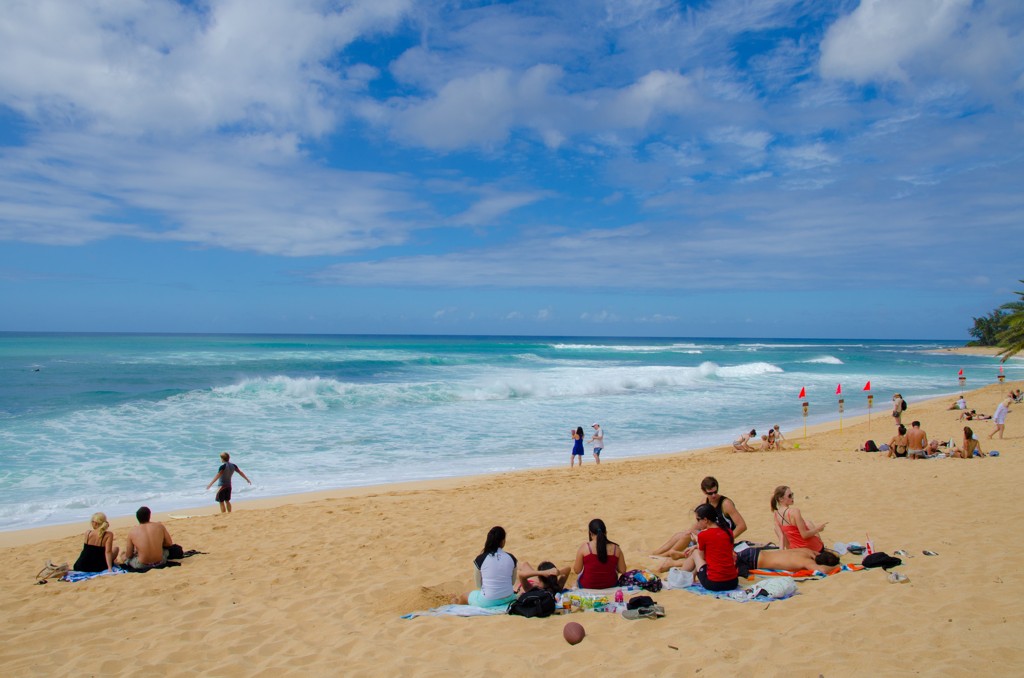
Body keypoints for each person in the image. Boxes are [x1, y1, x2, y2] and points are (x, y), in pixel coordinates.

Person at [651, 476, 747, 556]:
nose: (713, 495)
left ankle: (666, 555)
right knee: (681, 535)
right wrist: (691, 530)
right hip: (711, 534)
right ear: (704, 491)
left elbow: (742, 526)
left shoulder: (725, 504)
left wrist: (727, 539)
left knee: (687, 536)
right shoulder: (705, 501)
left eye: (715, 492)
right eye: (710, 493)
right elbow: (699, 523)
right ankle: (655, 553)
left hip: (721, 537)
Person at [654, 504, 738, 591]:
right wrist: (696, 546)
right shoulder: (728, 531)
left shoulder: (704, 535)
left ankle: (682, 575)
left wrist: (697, 543)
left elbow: (702, 557)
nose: (697, 523)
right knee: (697, 551)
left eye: (698, 520)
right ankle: (689, 575)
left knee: (695, 553)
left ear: (705, 520)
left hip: (715, 583)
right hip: (732, 582)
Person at [456, 526, 518, 607]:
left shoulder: (480, 559)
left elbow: (478, 585)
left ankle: (455, 604)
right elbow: (512, 582)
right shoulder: (512, 558)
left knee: (463, 596)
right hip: (509, 598)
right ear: (503, 541)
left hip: (488, 601)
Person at [573, 518, 626, 589]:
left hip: (588, 586)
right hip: (611, 585)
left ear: (591, 533)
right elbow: (622, 570)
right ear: (606, 532)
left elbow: (577, 570)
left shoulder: (585, 548)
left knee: (579, 576)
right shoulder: (616, 549)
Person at [772, 486, 826, 553]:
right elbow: (804, 535)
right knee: (809, 524)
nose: (792, 497)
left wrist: (782, 554)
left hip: (795, 551)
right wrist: (818, 529)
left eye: (792, 494)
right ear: (781, 499)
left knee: (780, 530)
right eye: (789, 496)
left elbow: (782, 538)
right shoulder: (794, 512)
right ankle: (822, 550)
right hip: (812, 549)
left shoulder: (776, 515)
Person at [735, 545, 840, 573]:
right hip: (753, 561)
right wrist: (836, 567)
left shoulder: (807, 551)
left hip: (754, 552)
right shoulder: (807, 562)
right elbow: (822, 570)